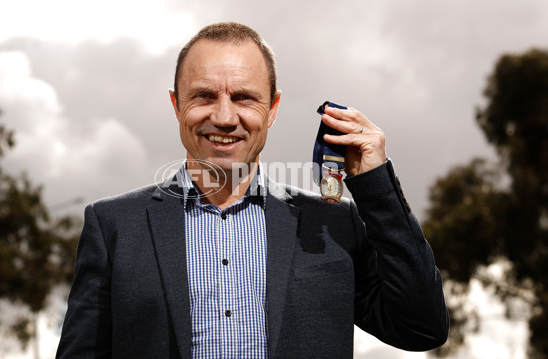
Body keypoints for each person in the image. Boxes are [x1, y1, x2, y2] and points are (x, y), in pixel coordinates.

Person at [56, 22, 449, 358]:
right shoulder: (113, 227)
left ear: (273, 109)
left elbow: (422, 329)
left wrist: (375, 184)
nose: (225, 117)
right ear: (176, 106)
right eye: (204, 96)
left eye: (244, 97)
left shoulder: (333, 225)